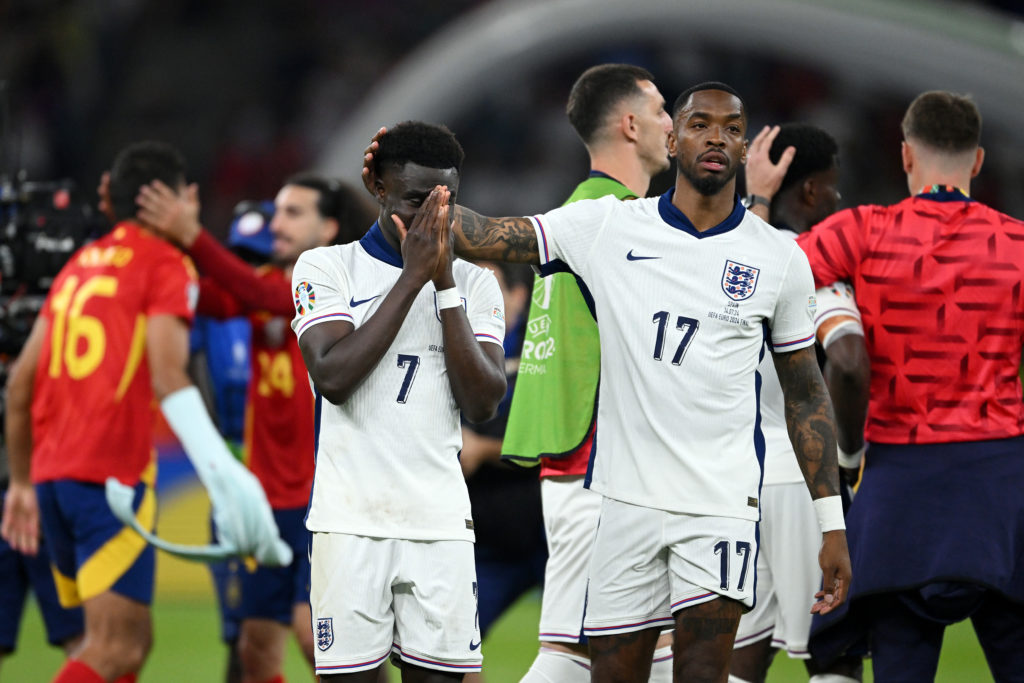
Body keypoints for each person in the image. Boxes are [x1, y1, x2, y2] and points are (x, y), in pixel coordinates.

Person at [363, 82, 851, 683]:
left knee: (700, 675)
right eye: (700, 124)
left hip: (720, 509)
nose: (715, 137)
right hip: (623, 507)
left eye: (730, 127)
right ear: (672, 138)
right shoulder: (608, 226)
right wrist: (401, 189)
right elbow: (484, 232)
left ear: (744, 144)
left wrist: (831, 522)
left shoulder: (778, 258)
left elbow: (806, 393)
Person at [0, 140, 286, 683]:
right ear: (175, 198)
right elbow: (168, 374)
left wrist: (18, 482)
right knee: (118, 647)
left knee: (109, 643)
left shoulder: (79, 266)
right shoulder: (163, 264)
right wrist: (222, 472)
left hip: (51, 478)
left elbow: (20, 384)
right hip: (108, 476)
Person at [792, 91, 1024, 681]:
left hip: (900, 483)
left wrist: (766, 197)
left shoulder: (861, 233)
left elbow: (771, 277)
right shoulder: (1019, 245)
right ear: (977, 162)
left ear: (905, 155)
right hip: (1001, 485)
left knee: (900, 665)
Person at [135, 174, 373, 683]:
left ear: (328, 227)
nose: (277, 222)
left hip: (322, 498)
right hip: (266, 500)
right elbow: (210, 298)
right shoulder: (265, 280)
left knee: (316, 640)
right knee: (256, 647)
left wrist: (192, 235)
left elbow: (256, 294)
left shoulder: (334, 284)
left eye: (293, 213)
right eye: (277, 210)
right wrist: (156, 253)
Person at [293, 121, 507, 681]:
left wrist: (443, 285)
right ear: (380, 189)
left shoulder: (475, 284)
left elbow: (482, 401)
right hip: (350, 522)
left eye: (447, 200)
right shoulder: (325, 267)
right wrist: (412, 279)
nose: (433, 216)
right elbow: (333, 378)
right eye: (417, 199)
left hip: (439, 527)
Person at [496, 63, 676, 682]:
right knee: (571, 657)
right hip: (599, 472)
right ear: (630, 124)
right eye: (660, 111)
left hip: (607, 469)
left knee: (659, 657)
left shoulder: (594, 214)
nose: (671, 125)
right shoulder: (613, 221)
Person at [730, 123, 868, 683]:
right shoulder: (811, 263)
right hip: (803, 477)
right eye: (832, 187)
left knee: (740, 654)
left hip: (733, 480)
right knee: (834, 652)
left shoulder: (726, 251)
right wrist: (847, 461)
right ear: (810, 191)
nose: (837, 200)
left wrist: (753, 196)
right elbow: (851, 360)